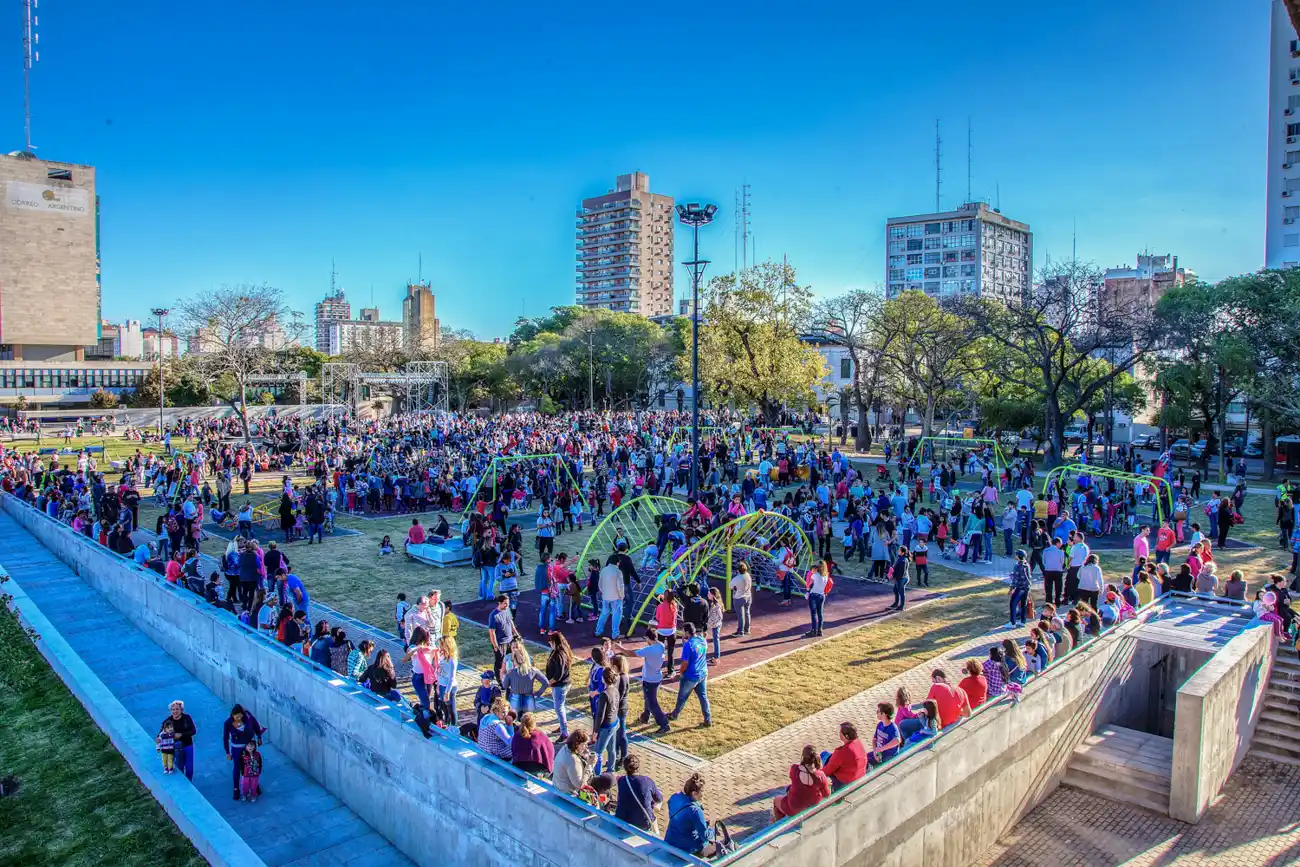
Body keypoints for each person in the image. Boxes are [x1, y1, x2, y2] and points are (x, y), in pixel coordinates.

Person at [664, 774, 720, 858]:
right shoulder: (695, 811)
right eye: (702, 791)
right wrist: (712, 825)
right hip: (687, 848)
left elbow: (683, 820)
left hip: (670, 841)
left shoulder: (675, 797)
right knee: (718, 848)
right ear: (694, 793)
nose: (703, 794)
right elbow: (705, 837)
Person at [771, 745, 831, 822]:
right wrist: (826, 783)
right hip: (813, 804)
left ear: (803, 757)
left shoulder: (795, 769)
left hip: (794, 807)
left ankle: (778, 824)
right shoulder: (821, 775)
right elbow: (826, 794)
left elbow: (793, 778)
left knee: (776, 800)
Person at [668, 623, 712, 727]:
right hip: (702, 673)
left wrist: (681, 673)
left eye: (683, 631)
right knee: (703, 696)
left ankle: (674, 715)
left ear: (687, 632)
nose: (682, 633)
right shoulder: (702, 640)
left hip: (691, 676)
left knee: (682, 697)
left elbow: (685, 663)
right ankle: (708, 719)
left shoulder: (688, 645)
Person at [221, 704, 265, 802]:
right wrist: (227, 752)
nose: (238, 718)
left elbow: (256, 725)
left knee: (252, 765)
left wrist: (259, 737)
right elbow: (225, 738)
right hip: (236, 749)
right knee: (237, 768)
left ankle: (255, 786)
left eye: (240, 716)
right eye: (236, 716)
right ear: (232, 715)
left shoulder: (248, 717)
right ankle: (236, 789)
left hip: (249, 747)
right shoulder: (228, 723)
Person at [614, 753, 664, 835]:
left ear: (625, 768)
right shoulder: (647, 781)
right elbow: (659, 798)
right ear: (638, 767)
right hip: (642, 823)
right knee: (653, 817)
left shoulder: (621, 780)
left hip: (621, 820)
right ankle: (657, 835)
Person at [504, 642, 548, 715]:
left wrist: (505, 677)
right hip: (529, 698)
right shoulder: (533, 671)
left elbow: (505, 686)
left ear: (515, 660)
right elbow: (546, 683)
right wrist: (538, 693)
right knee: (529, 721)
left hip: (515, 698)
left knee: (513, 720)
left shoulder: (511, 672)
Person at [821, 721, 868, 788]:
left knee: (824, 755)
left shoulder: (842, 752)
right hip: (859, 776)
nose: (839, 734)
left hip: (844, 782)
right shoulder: (858, 743)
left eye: (840, 732)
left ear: (846, 736)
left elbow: (828, 770)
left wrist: (817, 773)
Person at [545, 631, 573, 739]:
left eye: (551, 642)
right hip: (562, 684)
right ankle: (562, 726)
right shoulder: (562, 651)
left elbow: (559, 673)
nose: (550, 644)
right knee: (560, 706)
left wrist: (550, 682)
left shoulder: (559, 654)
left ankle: (564, 733)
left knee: (559, 708)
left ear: (554, 642)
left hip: (560, 685)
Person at [510, 712, 555, 776]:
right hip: (538, 772)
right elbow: (551, 752)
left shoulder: (516, 735)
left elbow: (513, 751)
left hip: (519, 770)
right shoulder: (542, 736)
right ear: (534, 724)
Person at [553, 729, 595, 795]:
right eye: (584, 744)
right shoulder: (572, 760)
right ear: (577, 744)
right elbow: (580, 785)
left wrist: (583, 755)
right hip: (567, 794)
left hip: (558, 785)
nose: (586, 747)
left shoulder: (565, 747)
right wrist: (590, 765)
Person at [163, 700, 197, 780]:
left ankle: (189, 783)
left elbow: (193, 731)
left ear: (181, 710)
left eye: (177, 709)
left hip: (188, 745)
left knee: (189, 768)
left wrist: (181, 735)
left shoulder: (187, 718)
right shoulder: (168, 721)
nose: (175, 711)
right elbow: (161, 734)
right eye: (173, 709)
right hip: (175, 748)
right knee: (179, 767)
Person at [487, 595, 516, 682]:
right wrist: (495, 646)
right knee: (500, 662)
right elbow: (492, 632)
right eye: (505, 604)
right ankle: (500, 680)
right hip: (500, 643)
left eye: (508, 604)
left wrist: (516, 634)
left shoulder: (507, 610)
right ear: (499, 603)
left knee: (511, 660)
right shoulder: (493, 615)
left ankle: (509, 677)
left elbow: (511, 623)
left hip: (510, 641)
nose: (507, 606)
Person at [805, 557, 834, 637]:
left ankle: (813, 630)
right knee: (820, 613)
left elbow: (809, 584)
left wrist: (808, 590)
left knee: (813, 613)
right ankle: (820, 630)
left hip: (814, 595)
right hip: (822, 595)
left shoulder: (815, 575)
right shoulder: (826, 576)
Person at [730, 560, 753, 636]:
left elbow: (730, 586)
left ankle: (740, 631)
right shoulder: (748, 575)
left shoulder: (737, 578)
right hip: (748, 596)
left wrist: (735, 588)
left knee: (740, 615)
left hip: (739, 597)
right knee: (747, 613)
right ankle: (747, 629)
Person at [1008, 550, 1031, 627]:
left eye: (1016, 554)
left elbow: (1015, 579)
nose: (1015, 556)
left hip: (1020, 587)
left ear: (1018, 556)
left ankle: (1012, 623)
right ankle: (1022, 621)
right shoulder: (1026, 564)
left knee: (1013, 603)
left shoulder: (1017, 566)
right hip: (1026, 587)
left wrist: (1011, 589)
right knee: (1023, 604)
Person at [240, 738, 263, 803]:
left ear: (255, 746)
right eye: (248, 746)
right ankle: (244, 795)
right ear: (245, 747)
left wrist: (259, 771)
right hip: (246, 774)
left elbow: (260, 763)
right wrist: (242, 772)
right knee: (245, 785)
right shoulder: (243, 755)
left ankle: (253, 796)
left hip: (255, 774)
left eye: (252, 745)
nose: (250, 747)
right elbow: (241, 764)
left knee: (254, 786)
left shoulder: (257, 754)